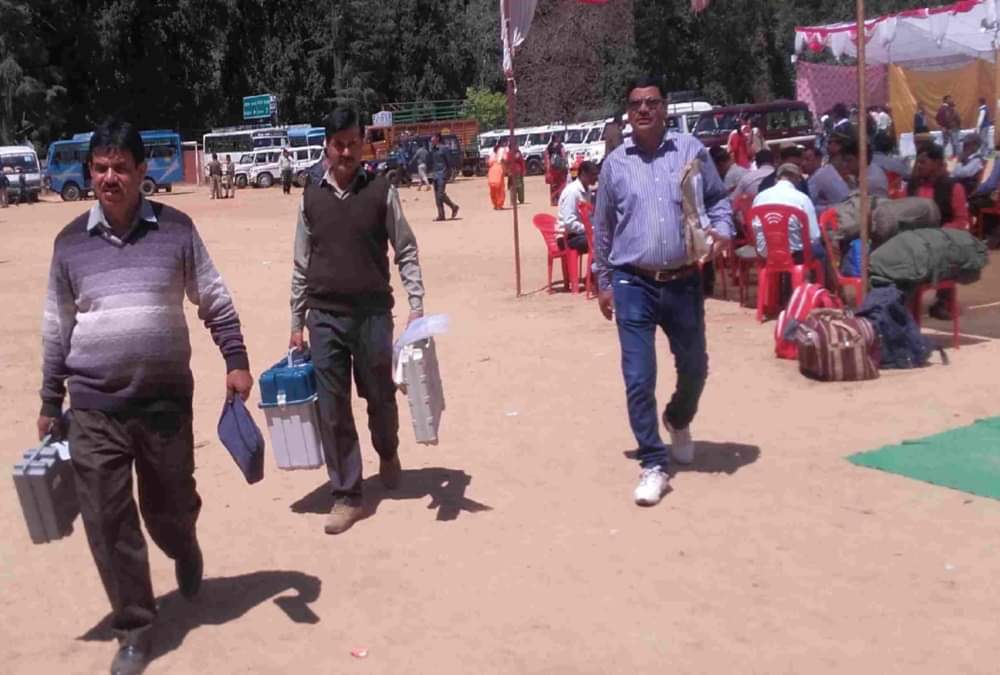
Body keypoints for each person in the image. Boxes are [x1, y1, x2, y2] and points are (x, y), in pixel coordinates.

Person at [36, 117, 252, 675]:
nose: (110, 177)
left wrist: (236, 360)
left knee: (169, 505)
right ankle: (134, 626)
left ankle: (184, 545)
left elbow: (215, 298)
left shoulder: (176, 231)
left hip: (162, 404)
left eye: (121, 167)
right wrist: (47, 398)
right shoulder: (68, 245)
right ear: (90, 172)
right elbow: (57, 328)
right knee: (107, 520)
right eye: (101, 167)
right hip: (93, 406)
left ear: (141, 171)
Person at [594, 75, 733, 507]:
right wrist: (603, 281)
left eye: (651, 102)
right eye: (636, 104)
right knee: (638, 376)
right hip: (633, 280)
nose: (643, 110)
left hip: (682, 279)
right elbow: (603, 229)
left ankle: (678, 417)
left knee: (695, 366)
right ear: (627, 112)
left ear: (665, 107)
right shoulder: (616, 164)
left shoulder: (690, 152)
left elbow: (718, 201)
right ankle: (653, 462)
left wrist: (723, 231)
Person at [289, 107, 425, 535]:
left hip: (372, 316)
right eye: (337, 144)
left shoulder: (382, 190)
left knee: (380, 398)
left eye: (352, 143)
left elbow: (405, 248)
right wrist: (297, 320)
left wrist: (416, 303)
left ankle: (387, 450)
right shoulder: (310, 195)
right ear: (326, 148)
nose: (345, 151)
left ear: (363, 144)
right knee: (333, 408)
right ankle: (346, 494)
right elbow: (300, 262)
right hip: (324, 316)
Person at [907, 142, 969, 319]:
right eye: (917, 162)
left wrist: (940, 233)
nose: (918, 167)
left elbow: (962, 220)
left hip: (943, 240)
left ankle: (942, 301)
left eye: (922, 163)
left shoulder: (953, 188)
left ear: (936, 164)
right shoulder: (912, 186)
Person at [750, 163, 825, 263]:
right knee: (823, 252)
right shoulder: (802, 198)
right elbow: (814, 235)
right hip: (796, 253)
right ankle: (821, 278)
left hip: (766, 252)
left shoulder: (759, 197)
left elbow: (754, 229)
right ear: (796, 178)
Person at [556, 160, 599, 253]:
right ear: (583, 174)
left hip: (579, 235)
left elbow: (589, 217)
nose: (596, 178)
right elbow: (569, 223)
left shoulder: (587, 191)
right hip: (567, 238)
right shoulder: (572, 192)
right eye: (593, 175)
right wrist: (589, 229)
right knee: (600, 242)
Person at [429, 133, 459, 220]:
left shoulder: (444, 148)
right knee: (437, 196)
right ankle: (441, 215)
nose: (431, 139)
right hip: (435, 174)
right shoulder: (432, 149)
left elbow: (449, 161)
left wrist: (450, 173)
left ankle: (453, 206)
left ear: (437, 138)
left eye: (433, 137)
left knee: (440, 194)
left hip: (442, 174)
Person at [545, 133, 568, 206]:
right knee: (561, 183)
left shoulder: (549, 147)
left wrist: (547, 168)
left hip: (552, 168)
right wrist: (565, 165)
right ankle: (559, 199)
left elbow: (546, 157)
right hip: (560, 168)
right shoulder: (560, 146)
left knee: (553, 184)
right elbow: (564, 156)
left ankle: (553, 200)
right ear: (557, 138)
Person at [487, 140, 506, 210]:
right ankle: (499, 204)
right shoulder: (502, 151)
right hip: (499, 171)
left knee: (493, 189)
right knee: (500, 189)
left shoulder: (491, 153)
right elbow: (504, 160)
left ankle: (495, 204)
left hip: (491, 172)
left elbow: (488, 162)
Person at [507, 140, 526, 205]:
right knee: (512, 187)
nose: (517, 146)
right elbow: (508, 162)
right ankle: (513, 201)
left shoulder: (518, 152)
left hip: (519, 171)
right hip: (512, 172)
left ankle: (521, 200)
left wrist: (523, 170)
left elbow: (522, 162)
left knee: (520, 186)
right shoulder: (509, 153)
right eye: (516, 145)